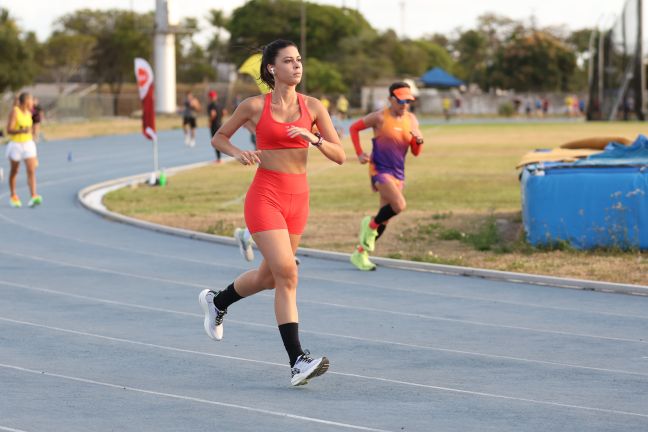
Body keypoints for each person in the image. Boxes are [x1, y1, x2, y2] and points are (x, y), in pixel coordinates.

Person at [198, 39, 345, 386]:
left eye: (299, 61)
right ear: (271, 68)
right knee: (287, 274)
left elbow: (340, 155)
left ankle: (218, 301)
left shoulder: (314, 107)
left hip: (299, 199)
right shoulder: (253, 106)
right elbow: (219, 137)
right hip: (265, 196)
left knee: (269, 278)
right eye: (288, 61)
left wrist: (315, 140)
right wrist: (236, 152)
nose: (297, 66)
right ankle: (297, 361)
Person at [348, 82, 424, 271]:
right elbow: (354, 128)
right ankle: (370, 224)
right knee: (399, 205)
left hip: (399, 172)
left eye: (408, 100)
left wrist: (418, 142)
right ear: (391, 99)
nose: (404, 104)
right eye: (400, 100)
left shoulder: (412, 120)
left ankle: (360, 253)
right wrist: (359, 153)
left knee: (386, 217)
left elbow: (416, 152)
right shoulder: (380, 116)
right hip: (379, 170)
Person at [5, 92, 42, 208]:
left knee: (31, 169)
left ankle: (34, 195)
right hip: (16, 144)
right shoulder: (15, 111)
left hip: (28, 144)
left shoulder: (30, 112)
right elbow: (9, 130)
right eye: (32, 101)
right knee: (14, 171)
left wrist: (34, 134)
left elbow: (35, 123)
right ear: (26, 101)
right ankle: (13, 195)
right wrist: (21, 131)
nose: (33, 103)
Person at [207, 90, 226, 162]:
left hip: (214, 125)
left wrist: (210, 122)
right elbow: (224, 112)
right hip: (220, 124)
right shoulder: (220, 104)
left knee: (214, 141)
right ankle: (220, 157)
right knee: (219, 140)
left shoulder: (211, 105)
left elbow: (213, 114)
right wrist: (220, 118)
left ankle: (218, 158)